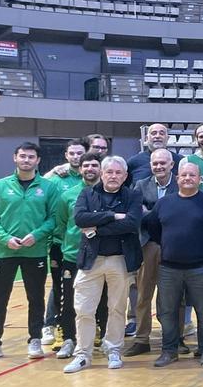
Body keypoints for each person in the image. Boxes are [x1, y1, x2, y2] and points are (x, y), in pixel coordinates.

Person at [0, 142, 59, 364]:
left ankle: (35, 339)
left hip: (35, 251)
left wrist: (37, 235)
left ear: (38, 160)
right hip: (5, 252)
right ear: (15, 158)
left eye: (31, 157)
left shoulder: (48, 187)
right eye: (22, 156)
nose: (26, 160)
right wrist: (5, 238)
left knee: (36, 298)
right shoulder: (1, 186)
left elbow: (54, 218)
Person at [63, 156, 142, 374]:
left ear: (125, 176)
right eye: (109, 172)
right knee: (84, 309)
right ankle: (83, 354)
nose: (113, 176)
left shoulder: (133, 195)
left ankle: (113, 349)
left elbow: (131, 223)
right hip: (92, 259)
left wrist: (96, 228)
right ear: (102, 174)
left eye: (118, 173)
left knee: (117, 308)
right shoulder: (87, 194)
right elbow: (80, 219)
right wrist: (112, 216)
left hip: (120, 260)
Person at [142, 161, 203, 366]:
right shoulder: (164, 203)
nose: (187, 178)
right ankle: (169, 350)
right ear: (177, 179)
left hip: (202, 266)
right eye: (184, 175)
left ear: (199, 179)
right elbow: (154, 228)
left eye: (192, 175)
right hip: (169, 267)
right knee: (167, 311)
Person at [123, 148, 177, 357]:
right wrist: (161, 214)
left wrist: (151, 212)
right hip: (148, 244)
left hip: (174, 245)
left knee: (174, 296)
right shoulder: (140, 185)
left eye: (163, 163)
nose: (159, 166)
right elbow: (136, 214)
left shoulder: (180, 183)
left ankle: (175, 339)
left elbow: (180, 213)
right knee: (143, 295)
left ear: (172, 165)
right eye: (155, 163)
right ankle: (141, 339)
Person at [50, 150, 103, 362]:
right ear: (79, 169)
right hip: (74, 256)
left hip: (101, 256)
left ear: (101, 169)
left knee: (103, 301)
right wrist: (72, 244)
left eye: (94, 165)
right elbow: (62, 225)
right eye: (86, 165)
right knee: (70, 301)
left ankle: (104, 339)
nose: (90, 169)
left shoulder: (108, 192)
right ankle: (69, 340)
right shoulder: (67, 195)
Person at [42, 138, 87, 348]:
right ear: (66, 155)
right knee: (60, 287)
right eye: (72, 153)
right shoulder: (57, 177)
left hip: (86, 244)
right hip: (60, 243)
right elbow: (39, 185)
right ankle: (53, 325)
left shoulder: (92, 177)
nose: (76, 157)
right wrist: (53, 170)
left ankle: (89, 328)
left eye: (80, 153)